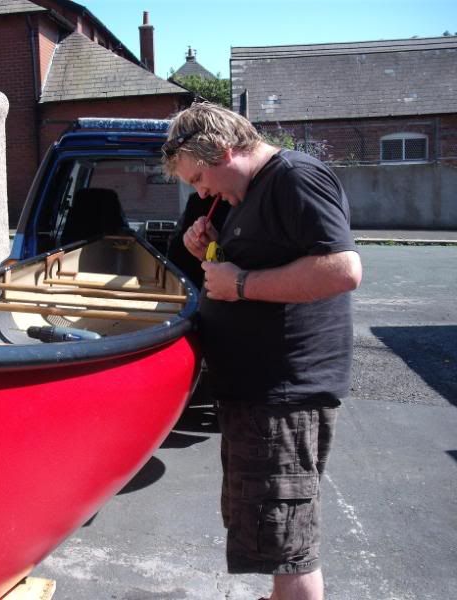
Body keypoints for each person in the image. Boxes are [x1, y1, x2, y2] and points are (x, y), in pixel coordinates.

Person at [162, 102, 362, 600]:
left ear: (226, 149)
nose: (201, 191)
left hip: (285, 393)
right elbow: (256, 257)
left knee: (289, 544)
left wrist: (241, 284)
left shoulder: (294, 178)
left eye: (201, 177)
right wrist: (204, 246)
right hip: (256, 393)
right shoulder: (239, 194)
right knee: (273, 535)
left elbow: (343, 270)